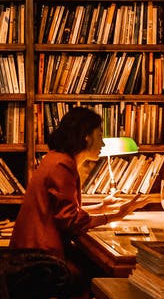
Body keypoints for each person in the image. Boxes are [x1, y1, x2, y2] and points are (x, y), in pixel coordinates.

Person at [10, 107, 147, 280]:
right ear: (86, 136)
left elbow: (61, 211)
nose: (103, 144)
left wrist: (102, 206)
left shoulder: (55, 158)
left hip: (30, 250)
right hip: (41, 260)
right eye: (99, 136)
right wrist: (115, 215)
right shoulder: (62, 165)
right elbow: (70, 221)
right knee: (102, 274)